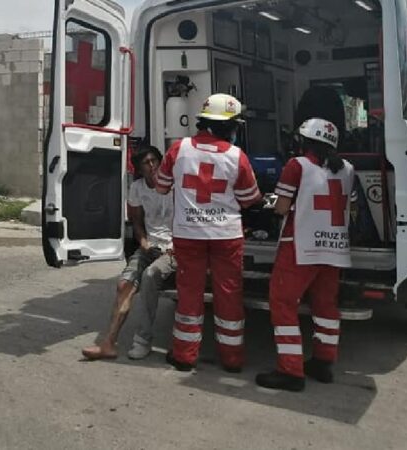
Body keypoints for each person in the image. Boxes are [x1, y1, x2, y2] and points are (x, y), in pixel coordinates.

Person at [155, 94, 262, 372]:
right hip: (226, 236)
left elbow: (161, 186)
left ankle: (183, 356)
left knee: (189, 293)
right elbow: (251, 199)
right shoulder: (237, 156)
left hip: (188, 234)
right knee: (229, 293)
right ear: (227, 127)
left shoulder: (178, 149)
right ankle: (232, 359)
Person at [256, 118, 355, 392]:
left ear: (304, 141)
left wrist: (262, 199)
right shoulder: (347, 169)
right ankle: (323, 363)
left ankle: (290, 371)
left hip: (301, 247)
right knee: (326, 306)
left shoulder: (296, 165)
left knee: (283, 303)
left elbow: (281, 207)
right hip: (334, 248)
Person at [82, 144, 176, 361]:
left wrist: (176, 247)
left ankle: (142, 340)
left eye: (155, 160)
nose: (152, 166)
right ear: (140, 169)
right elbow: (137, 222)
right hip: (150, 246)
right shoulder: (138, 188)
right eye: (146, 163)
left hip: (173, 249)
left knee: (150, 277)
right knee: (124, 285)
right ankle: (108, 344)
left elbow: (186, 219)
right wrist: (143, 242)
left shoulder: (176, 185)